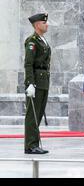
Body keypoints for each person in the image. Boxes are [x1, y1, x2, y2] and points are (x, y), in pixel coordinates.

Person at [24, 13, 51, 154]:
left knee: (38, 114)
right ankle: (30, 145)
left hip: (43, 81)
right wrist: (30, 83)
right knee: (32, 115)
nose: (47, 24)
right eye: (44, 22)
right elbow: (28, 64)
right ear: (37, 25)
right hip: (35, 81)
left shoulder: (42, 40)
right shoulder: (32, 41)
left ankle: (34, 144)